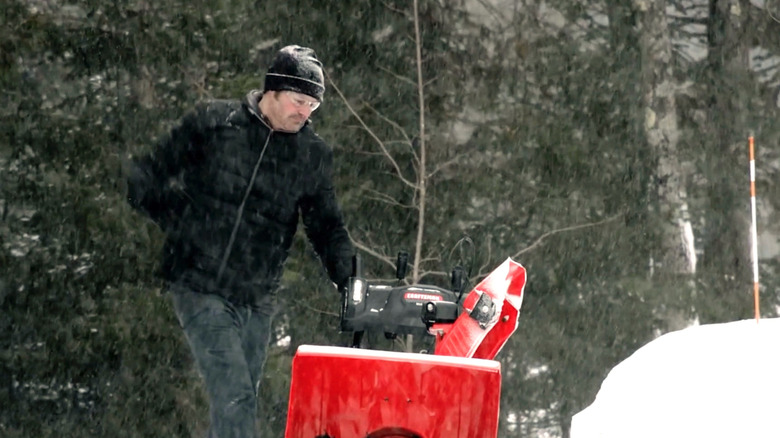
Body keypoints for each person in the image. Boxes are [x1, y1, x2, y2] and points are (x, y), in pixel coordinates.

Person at [125, 45, 354, 437]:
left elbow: (327, 226)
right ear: (274, 90)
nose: (305, 112)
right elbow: (143, 176)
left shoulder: (311, 155)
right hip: (199, 283)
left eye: (313, 106)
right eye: (299, 101)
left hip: (256, 298)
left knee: (241, 399)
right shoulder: (215, 124)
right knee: (236, 398)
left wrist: (351, 279)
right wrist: (181, 221)